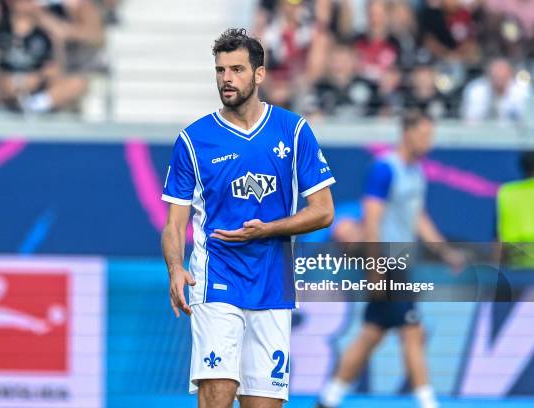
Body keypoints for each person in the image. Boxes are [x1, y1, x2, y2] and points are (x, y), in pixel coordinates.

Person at [161, 28, 336, 408]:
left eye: (237, 69)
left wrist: (267, 230)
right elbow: (174, 222)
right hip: (217, 280)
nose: (227, 78)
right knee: (218, 393)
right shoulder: (194, 140)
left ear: (259, 75)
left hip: (274, 284)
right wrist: (175, 267)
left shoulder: (293, 131)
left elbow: (324, 211)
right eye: (220, 70)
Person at [316, 109, 463, 408]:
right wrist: (375, 268)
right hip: (386, 261)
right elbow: (372, 219)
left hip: (400, 262)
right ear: (407, 134)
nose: (428, 142)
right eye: (424, 135)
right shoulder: (385, 169)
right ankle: (427, 403)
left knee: (371, 333)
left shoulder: (417, 173)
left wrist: (444, 250)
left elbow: (418, 217)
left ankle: (328, 399)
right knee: (412, 331)